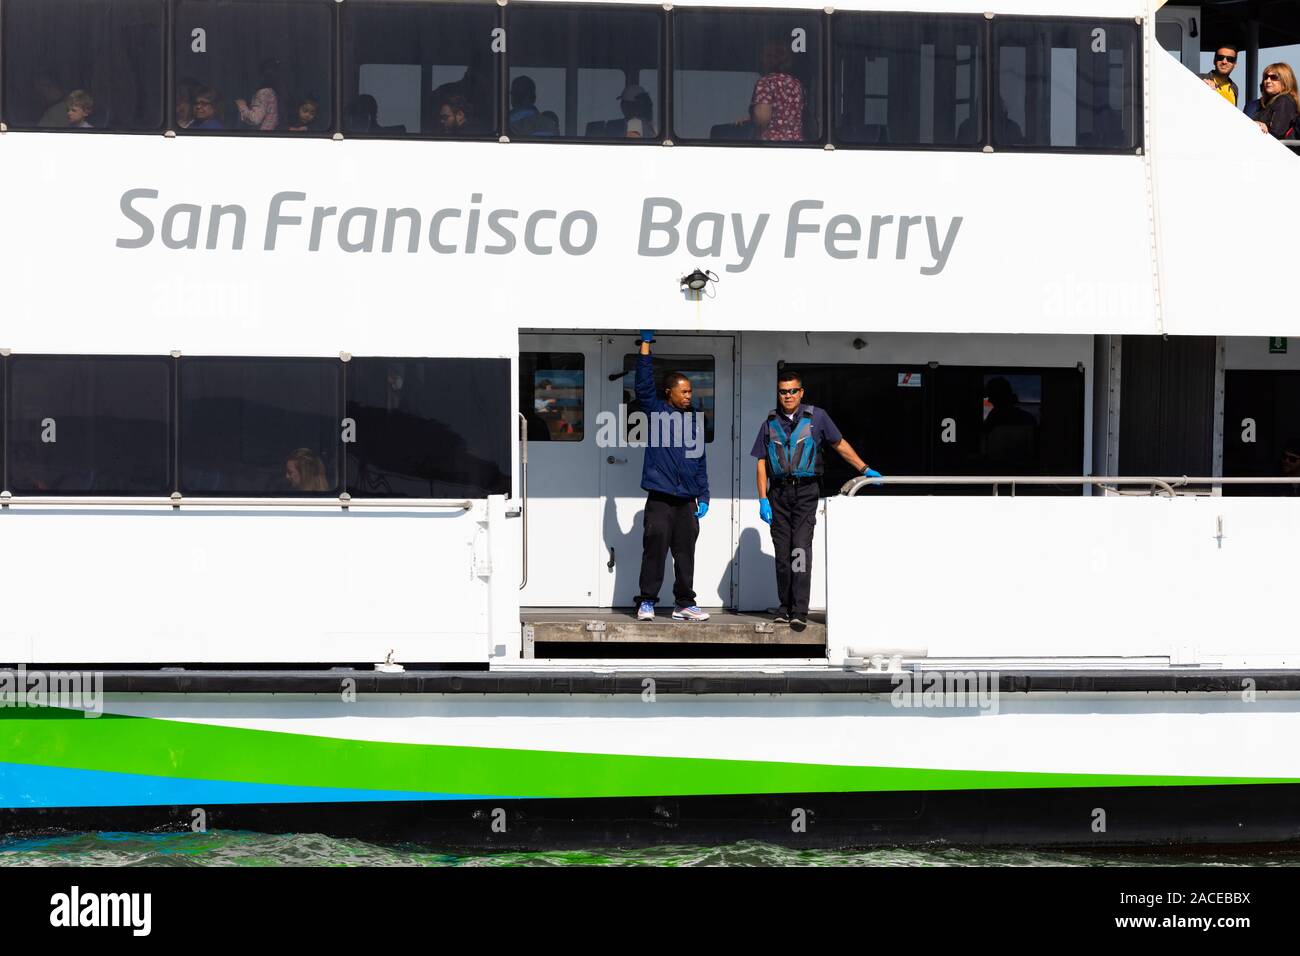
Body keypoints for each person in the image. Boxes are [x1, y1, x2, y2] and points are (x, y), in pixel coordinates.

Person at [752, 369, 880, 628]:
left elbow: (839, 444)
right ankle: (783, 608)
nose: (787, 396)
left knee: (799, 549)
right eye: (783, 391)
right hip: (778, 494)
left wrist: (864, 469)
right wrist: (762, 498)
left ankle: (799, 610)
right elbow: (761, 463)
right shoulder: (769, 422)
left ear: (801, 392)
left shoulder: (817, 417)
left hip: (806, 492)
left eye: (792, 391)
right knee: (782, 554)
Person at [633, 330, 710, 623]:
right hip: (661, 497)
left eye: (691, 391)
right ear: (671, 393)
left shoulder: (695, 418)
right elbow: (642, 386)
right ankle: (647, 602)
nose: (690, 395)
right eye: (685, 391)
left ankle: (684, 604)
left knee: (685, 554)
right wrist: (645, 347)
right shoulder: (655, 411)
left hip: (687, 499)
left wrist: (704, 494)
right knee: (655, 550)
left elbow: (700, 458)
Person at [744, 40, 805, 142]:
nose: (761, 60)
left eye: (763, 56)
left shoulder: (766, 82)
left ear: (769, 60)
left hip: (772, 144)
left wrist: (753, 119)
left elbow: (763, 119)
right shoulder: (796, 83)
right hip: (796, 144)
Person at [1250, 63, 1299, 139]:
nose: (1268, 81)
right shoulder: (1268, 103)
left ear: (1285, 80)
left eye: (1273, 77)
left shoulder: (1284, 101)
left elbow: (1277, 132)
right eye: (1266, 77)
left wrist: (1257, 127)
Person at [236, 58, 281, 131]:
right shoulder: (274, 92)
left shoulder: (264, 93)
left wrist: (242, 106)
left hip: (263, 137)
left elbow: (255, 119)